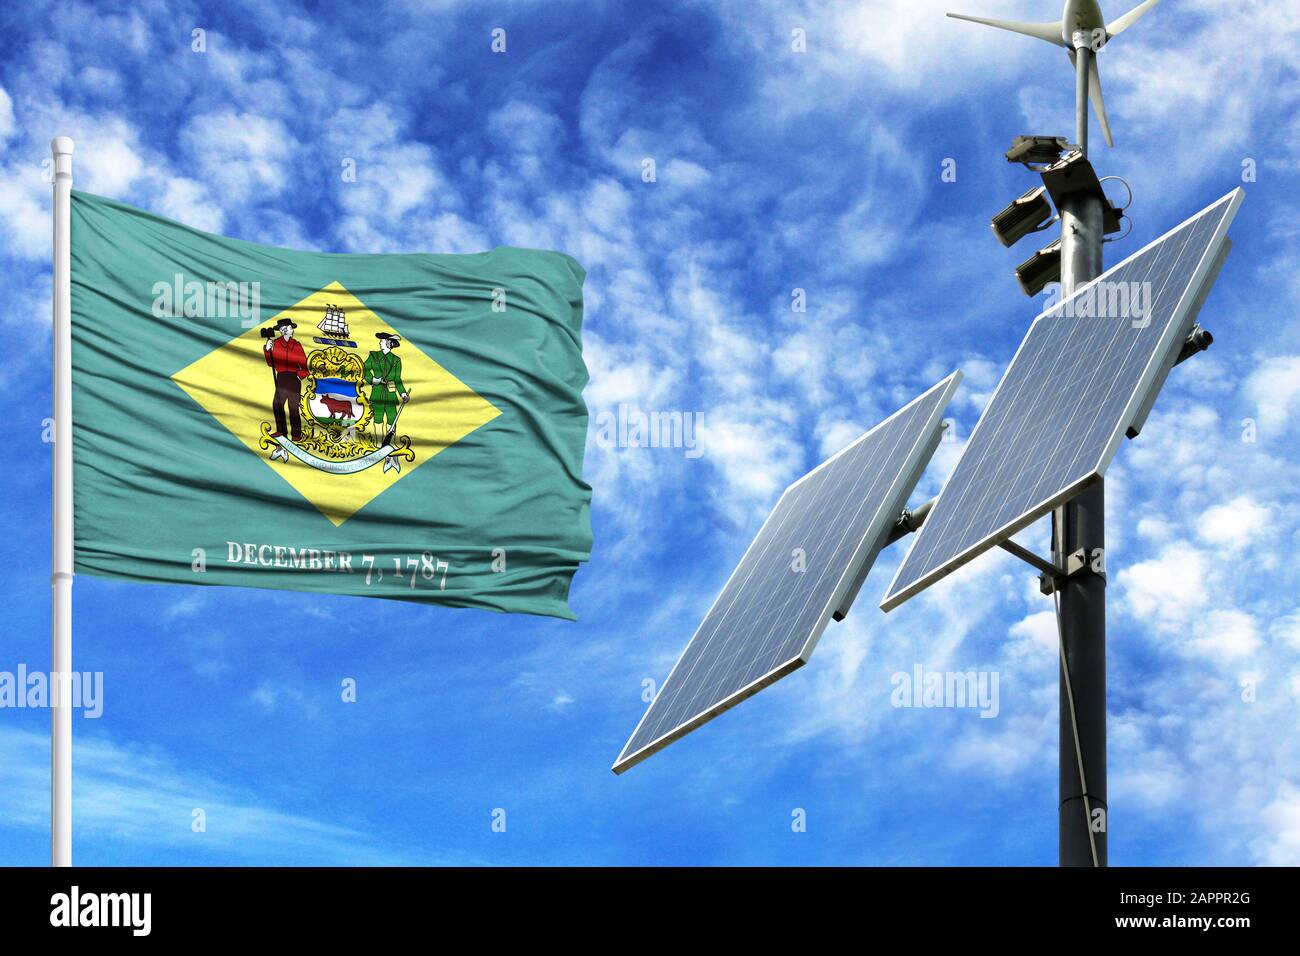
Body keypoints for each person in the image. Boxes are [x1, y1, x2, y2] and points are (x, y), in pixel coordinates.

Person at [263, 318, 308, 442]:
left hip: (294, 379)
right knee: (277, 405)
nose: (290, 330)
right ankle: (281, 432)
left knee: (293, 407)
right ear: (282, 331)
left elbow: (304, 364)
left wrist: (300, 375)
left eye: (290, 328)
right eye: (287, 328)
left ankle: (296, 435)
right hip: (282, 377)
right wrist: (267, 350)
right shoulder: (276, 344)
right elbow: (271, 363)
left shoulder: (297, 345)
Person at [362, 332, 409, 445]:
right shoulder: (373, 356)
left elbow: (397, 379)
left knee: (392, 420)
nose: (379, 342)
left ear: (388, 343)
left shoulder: (396, 360)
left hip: (391, 395)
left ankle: (389, 445)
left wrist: (403, 394)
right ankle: (379, 445)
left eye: (382, 341)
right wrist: (374, 380)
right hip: (377, 393)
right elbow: (364, 370)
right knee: (378, 419)